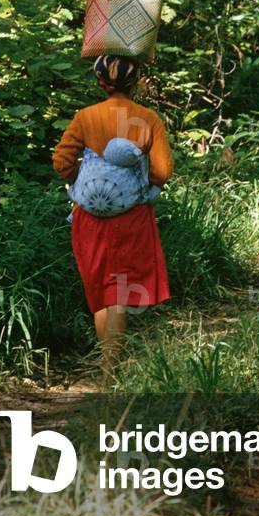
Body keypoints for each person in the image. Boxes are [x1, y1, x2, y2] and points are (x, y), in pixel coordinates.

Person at [52, 55, 173, 383]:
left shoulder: (85, 117)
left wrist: (84, 180)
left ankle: (108, 365)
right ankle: (110, 369)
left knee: (100, 289)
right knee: (119, 290)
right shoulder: (148, 119)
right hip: (131, 217)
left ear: (100, 83)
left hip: (88, 218)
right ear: (134, 83)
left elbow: (61, 160)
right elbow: (162, 172)